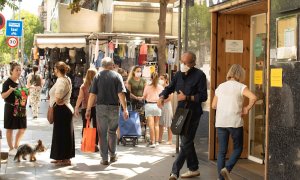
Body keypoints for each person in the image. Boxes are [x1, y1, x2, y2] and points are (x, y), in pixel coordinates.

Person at [158, 51, 207, 180]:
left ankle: (174, 172)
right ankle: (194, 168)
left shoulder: (200, 75)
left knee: (186, 141)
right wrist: (162, 96)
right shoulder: (178, 75)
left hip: (193, 113)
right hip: (180, 112)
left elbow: (203, 96)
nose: (183, 64)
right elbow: (169, 88)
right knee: (187, 142)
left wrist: (187, 97)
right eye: (181, 61)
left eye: (185, 62)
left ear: (193, 63)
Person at [211, 64, 257, 180]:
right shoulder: (241, 86)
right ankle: (227, 169)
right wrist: (247, 108)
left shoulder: (220, 86)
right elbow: (253, 97)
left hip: (221, 122)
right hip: (235, 121)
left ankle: (220, 178)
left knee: (222, 151)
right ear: (240, 74)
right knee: (238, 148)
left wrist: (225, 106)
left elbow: (213, 105)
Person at [86, 57, 129, 165]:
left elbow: (92, 94)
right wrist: (125, 109)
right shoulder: (117, 76)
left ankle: (104, 158)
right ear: (112, 65)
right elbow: (121, 94)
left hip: (100, 108)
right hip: (114, 107)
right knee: (112, 132)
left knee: (102, 133)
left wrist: (88, 109)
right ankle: (113, 155)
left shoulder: (97, 76)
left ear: (102, 65)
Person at [49, 61, 75, 166]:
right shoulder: (66, 79)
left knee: (61, 134)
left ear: (57, 70)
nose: (54, 71)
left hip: (61, 109)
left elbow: (59, 98)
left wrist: (53, 101)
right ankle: (62, 157)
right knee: (64, 134)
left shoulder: (61, 81)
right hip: (65, 109)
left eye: (54, 69)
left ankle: (62, 157)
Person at [1, 61, 28, 156]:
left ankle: (16, 146)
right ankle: (11, 148)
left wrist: (29, 89)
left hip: (21, 107)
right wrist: (10, 90)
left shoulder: (21, 81)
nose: (19, 72)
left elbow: (24, 91)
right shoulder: (7, 82)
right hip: (10, 107)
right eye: (17, 70)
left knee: (22, 128)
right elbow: (3, 96)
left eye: (20, 70)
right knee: (10, 128)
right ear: (11, 71)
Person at [74, 68, 99, 152]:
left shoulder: (83, 86)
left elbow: (80, 97)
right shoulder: (98, 85)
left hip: (85, 108)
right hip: (96, 107)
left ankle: (85, 142)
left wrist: (76, 107)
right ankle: (95, 144)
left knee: (85, 125)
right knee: (96, 125)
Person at [143, 72, 164, 148]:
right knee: (156, 125)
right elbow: (163, 96)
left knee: (151, 125)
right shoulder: (161, 87)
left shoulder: (147, 86)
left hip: (149, 105)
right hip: (157, 106)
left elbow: (144, 96)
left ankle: (153, 141)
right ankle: (157, 141)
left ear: (151, 78)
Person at [158, 74, 173, 145]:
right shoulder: (159, 87)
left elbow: (170, 97)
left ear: (166, 80)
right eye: (160, 78)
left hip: (167, 106)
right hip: (160, 106)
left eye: (162, 78)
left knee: (168, 123)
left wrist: (162, 101)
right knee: (160, 123)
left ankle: (170, 140)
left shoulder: (168, 87)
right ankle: (159, 138)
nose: (160, 80)